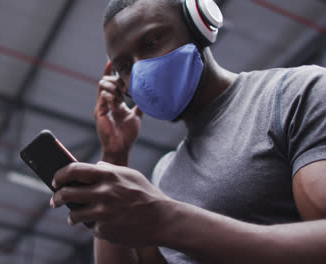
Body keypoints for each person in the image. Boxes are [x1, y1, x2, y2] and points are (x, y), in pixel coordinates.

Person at [50, 0, 326, 263]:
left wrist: (168, 219)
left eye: (151, 42)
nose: (140, 70)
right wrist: (114, 153)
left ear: (199, 24)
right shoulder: (164, 173)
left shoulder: (295, 94)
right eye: (124, 66)